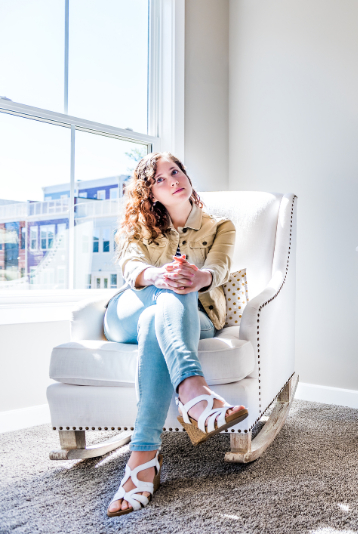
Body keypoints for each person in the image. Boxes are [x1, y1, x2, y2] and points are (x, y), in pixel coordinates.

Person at [103, 152, 247, 516]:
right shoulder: (136, 228)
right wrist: (158, 275)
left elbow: (220, 266)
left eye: (176, 171)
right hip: (128, 311)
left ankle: (144, 455)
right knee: (168, 285)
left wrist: (200, 277)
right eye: (160, 179)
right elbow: (130, 265)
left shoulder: (220, 227)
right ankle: (194, 393)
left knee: (169, 301)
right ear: (150, 194)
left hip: (192, 317)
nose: (172, 180)